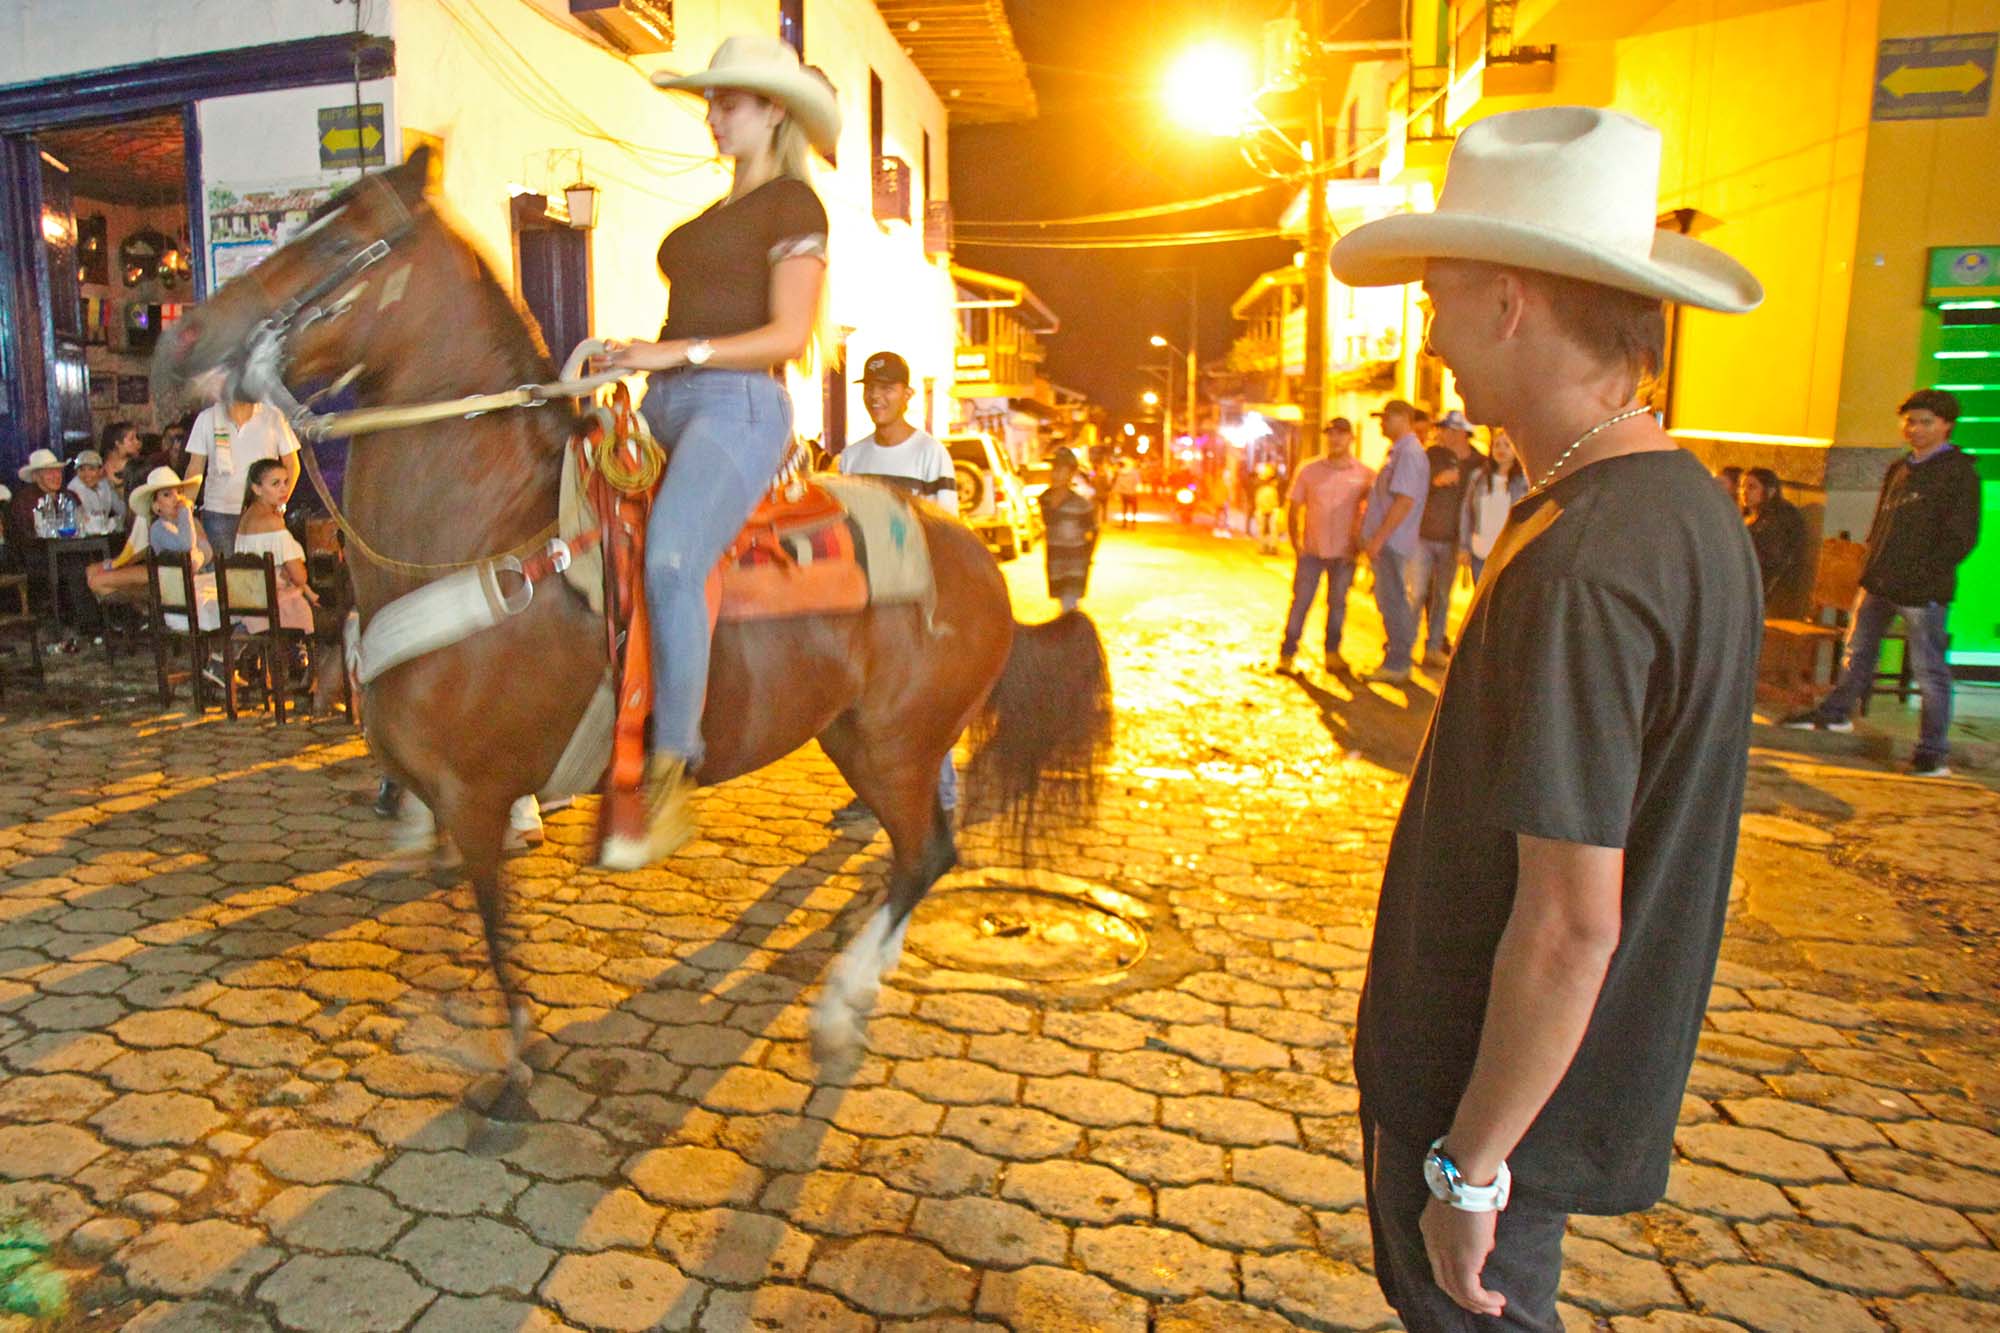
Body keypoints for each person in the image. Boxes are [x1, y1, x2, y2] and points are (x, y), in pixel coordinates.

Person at [1329, 105, 1764, 1329]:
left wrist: (1468, 1163)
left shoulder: (1585, 560)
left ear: (1509, 304)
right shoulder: (1676, 511)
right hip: (1541, 1088)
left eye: (1439, 299)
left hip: (1490, 1096)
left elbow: (1571, 922)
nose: (1429, 335)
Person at [594, 33, 839, 871]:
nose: (712, 116)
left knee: (669, 559)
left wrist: (676, 353)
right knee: (566, 521)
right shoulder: (712, 217)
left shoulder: (796, 209)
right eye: (710, 102)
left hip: (742, 404)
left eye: (726, 103)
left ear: (773, 111)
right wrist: (632, 353)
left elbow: (789, 333)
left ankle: (670, 773)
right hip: (664, 399)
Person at [1783, 389, 1980, 775]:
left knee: (1929, 670)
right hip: (1879, 581)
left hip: (1922, 592)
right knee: (1857, 651)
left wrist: (1924, 576)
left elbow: (1961, 537)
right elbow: (1883, 523)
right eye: (1910, 420)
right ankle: (1836, 712)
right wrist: (1871, 564)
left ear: (1946, 425)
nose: (1916, 429)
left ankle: (1932, 750)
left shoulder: (1958, 474)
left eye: (1926, 422)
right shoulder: (1901, 467)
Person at [834, 349, 960, 822]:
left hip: (914, 598)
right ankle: (870, 794)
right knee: (865, 701)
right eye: (870, 387)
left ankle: (941, 795)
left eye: (887, 388)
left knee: (925, 697)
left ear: (908, 395)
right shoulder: (851, 457)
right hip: (865, 598)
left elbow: (948, 533)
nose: (876, 396)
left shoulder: (931, 454)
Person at [1280, 417, 1373, 673]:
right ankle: (1287, 653)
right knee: (1301, 602)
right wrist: (1296, 544)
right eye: (1330, 434)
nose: (1335, 439)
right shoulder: (1308, 470)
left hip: (1345, 553)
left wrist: (1363, 544)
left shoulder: (1365, 475)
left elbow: (1372, 510)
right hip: (1312, 550)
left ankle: (1332, 653)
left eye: (1340, 434)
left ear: (1351, 438)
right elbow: (1294, 507)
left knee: (1338, 604)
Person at [1357, 400, 1431, 685]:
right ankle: (1395, 658)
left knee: (1394, 601)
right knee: (1390, 600)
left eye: (1386, 418)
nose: (1381, 424)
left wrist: (1378, 538)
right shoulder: (1400, 452)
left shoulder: (1409, 453)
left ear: (1402, 418)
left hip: (1393, 542)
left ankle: (1398, 662)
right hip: (1389, 541)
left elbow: (1404, 501)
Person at [185, 394, 301, 557]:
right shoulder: (207, 418)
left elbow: (292, 465)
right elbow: (195, 468)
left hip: (261, 513)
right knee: (223, 576)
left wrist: (281, 502)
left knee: (265, 573)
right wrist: (185, 512)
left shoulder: (274, 416)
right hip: (219, 512)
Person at [7, 449, 102, 648]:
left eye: (58, 472)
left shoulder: (69, 496)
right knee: (76, 567)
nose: (55, 476)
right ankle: (88, 626)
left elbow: (82, 523)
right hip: (37, 557)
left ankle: (101, 621)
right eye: (49, 473)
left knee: (93, 562)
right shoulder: (24, 500)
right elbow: (26, 537)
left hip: (72, 550)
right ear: (36, 476)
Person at [232, 458, 321, 636]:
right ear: (257, 489)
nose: (284, 489)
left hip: (248, 597)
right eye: (275, 484)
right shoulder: (272, 523)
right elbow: (299, 576)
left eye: (285, 482)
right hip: (272, 603)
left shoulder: (246, 517)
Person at [1415, 408, 1476, 667]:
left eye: (1447, 430)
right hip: (1424, 535)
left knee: (1442, 594)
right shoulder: (1432, 456)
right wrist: (1434, 481)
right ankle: (1401, 647)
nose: (1441, 434)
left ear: (1461, 433)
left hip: (1454, 539)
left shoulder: (1479, 463)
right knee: (1416, 592)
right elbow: (1416, 485)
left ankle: (1433, 646)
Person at [1460, 428, 1527, 584]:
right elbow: (1466, 512)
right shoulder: (1478, 477)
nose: (1501, 449)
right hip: (1480, 550)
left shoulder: (1522, 482)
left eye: (1506, 445)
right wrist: (1464, 547)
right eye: (1497, 445)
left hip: (1508, 555)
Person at [1739, 467, 1807, 614]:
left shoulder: (1779, 519)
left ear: (1770, 492)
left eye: (1752, 487)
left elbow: (1770, 560)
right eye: (1743, 486)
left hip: (1771, 589)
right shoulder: (1753, 517)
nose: (1745, 492)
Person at [1039, 448, 1098, 612]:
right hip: (1054, 562)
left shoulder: (1081, 505)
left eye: (1062, 470)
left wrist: (1087, 556)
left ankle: (1075, 636)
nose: (1056, 475)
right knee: (1063, 605)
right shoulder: (1045, 500)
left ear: (1071, 474)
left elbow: (1094, 531)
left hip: (1075, 565)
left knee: (1069, 606)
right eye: (1054, 469)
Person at [67, 450, 126, 533]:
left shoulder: (105, 485)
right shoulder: (72, 490)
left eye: (91, 469)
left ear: (100, 470)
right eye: (82, 469)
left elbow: (121, 510)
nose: (87, 474)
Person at [99, 421, 146, 499]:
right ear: (117, 443)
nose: (137, 442)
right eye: (131, 439)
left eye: (137, 438)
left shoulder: (139, 466)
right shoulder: (99, 469)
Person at [1252, 464, 1283, 555]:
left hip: (1268, 513)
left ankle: (1268, 547)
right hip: (1266, 513)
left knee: (1268, 531)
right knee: (1267, 531)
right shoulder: (1267, 490)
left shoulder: (1266, 490)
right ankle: (1267, 547)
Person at [1114, 456, 1142, 529]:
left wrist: (1116, 493)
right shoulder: (1134, 472)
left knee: (1125, 508)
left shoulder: (1120, 472)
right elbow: (1138, 482)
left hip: (1124, 493)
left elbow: (1118, 483)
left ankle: (1124, 523)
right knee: (1134, 509)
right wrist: (1138, 490)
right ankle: (1133, 523)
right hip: (1132, 493)